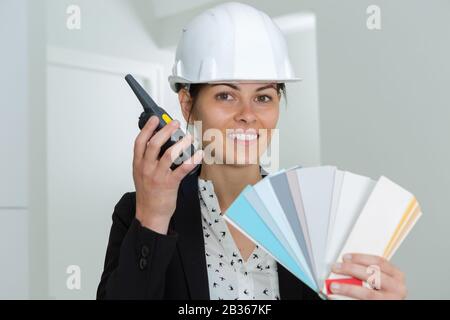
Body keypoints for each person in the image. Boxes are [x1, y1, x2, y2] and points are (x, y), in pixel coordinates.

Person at [97, 2, 407, 300]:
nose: (248, 114)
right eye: (226, 96)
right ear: (188, 105)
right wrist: (153, 217)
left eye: (263, 98)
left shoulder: (315, 219)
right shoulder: (137, 212)